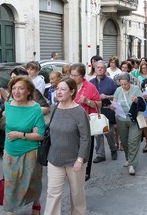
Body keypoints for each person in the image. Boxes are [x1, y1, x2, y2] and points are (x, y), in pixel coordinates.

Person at [44, 77, 91, 215]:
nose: (59, 92)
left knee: (77, 194)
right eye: (57, 89)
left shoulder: (79, 112)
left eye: (63, 89)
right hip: (55, 159)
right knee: (52, 193)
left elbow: (85, 138)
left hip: (75, 161)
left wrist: (80, 159)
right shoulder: (54, 108)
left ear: (72, 92)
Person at [3, 76, 45, 215]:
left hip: (30, 152)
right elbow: (8, 127)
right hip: (10, 152)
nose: (16, 91)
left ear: (28, 91)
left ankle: (36, 204)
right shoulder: (8, 105)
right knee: (10, 184)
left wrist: (21, 135)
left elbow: (40, 135)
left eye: (21, 88)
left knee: (32, 182)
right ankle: (10, 210)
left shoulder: (35, 108)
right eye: (14, 88)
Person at [70, 63, 101, 181]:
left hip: (86, 122)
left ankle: (86, 170)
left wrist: (87, 101)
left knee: (86, 146)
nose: (73, 78)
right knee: (73, 145)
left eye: (76, 76)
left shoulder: (90, 87)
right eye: (71, 75)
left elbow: (99, 104)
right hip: (71, 121)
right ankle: (73, 167)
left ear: (82, 76)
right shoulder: (69, 85)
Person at [113, 72, 144, 175]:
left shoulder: (135, 89)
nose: (123, 86)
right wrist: (113, 106)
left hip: (134, 119)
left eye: (125, 84)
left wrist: (136, 101)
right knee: (125, 142)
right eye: (121, 84)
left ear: (129, 82)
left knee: (133, 142)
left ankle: (132, 164)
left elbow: (142, 103)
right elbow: (115, 101)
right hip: (121, 119)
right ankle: (128, 158)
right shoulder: (118, 90)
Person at [90, 61, 118, 163]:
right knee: (98, 133)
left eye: (102, 68)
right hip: (96, 109)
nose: (100, 69)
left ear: (105, 70)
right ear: (95, 69)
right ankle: (100, 154)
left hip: (107, 109)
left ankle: (113, 148)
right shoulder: (91, 82)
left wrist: (106, 96)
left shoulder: (111, 82)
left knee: (109, 131)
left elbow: (116, 96)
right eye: (98, 67)